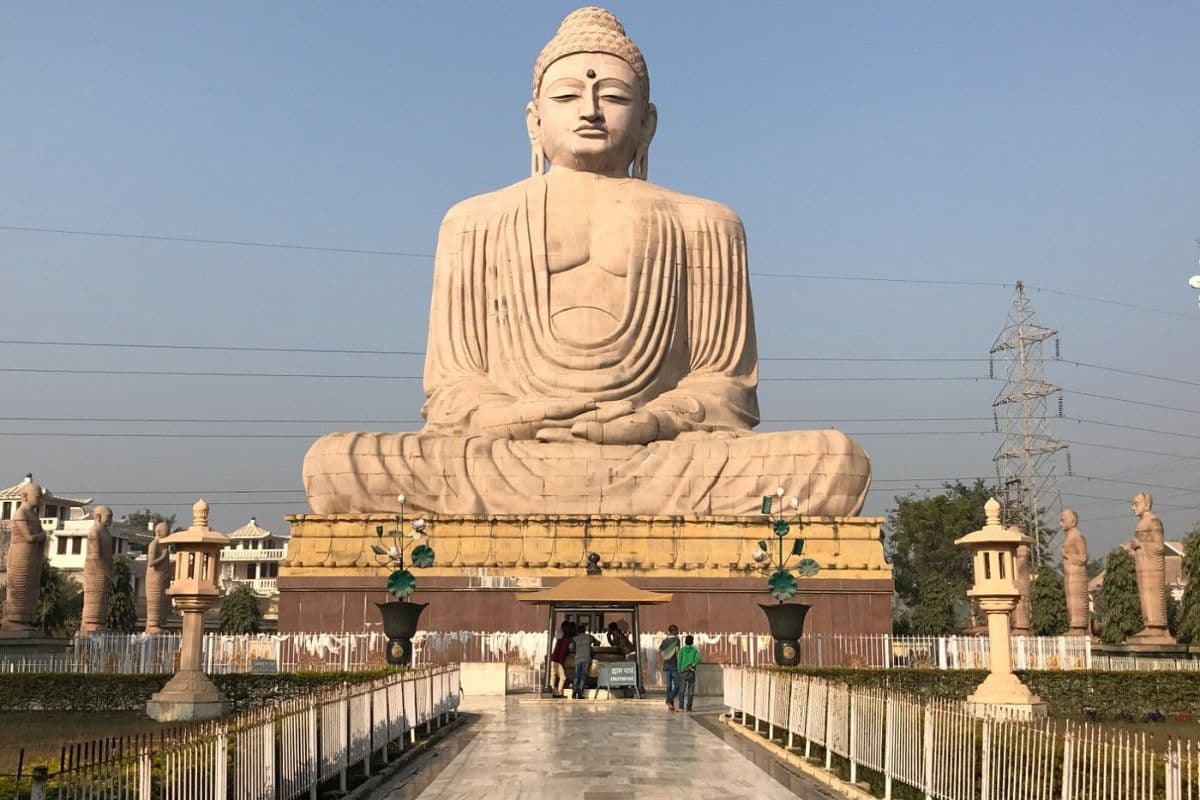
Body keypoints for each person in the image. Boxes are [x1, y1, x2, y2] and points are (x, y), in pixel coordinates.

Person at [301, 6, 872, 518]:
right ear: (534, 119)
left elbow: (725, 386)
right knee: (337, 464)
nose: (592, 111)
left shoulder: (706, 223)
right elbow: (452, 387)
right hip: (510, 452)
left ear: (647, 122)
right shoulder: (473, 221)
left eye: (615, 97)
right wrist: (511, 417)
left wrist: (654, 421)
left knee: (834, 462)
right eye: (568, 97)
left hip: (660, 455)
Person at [571, 622, 598, 700]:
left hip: (577, 658)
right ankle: (580, 693)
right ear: (584, 630)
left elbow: (571, 648)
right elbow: (598, 643)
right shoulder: (589, 637)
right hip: (586, 658)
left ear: (577, 631)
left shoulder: (574, 638)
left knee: (577, 675)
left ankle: (574, 692)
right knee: (583, 676)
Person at [550, 620, 576, 697]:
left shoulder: (559, 640)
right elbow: (572, 649)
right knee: (563, 677)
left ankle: (552, 690)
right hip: (558, 661)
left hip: (553, 660)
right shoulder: (569, 641)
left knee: (553, 676)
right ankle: (559, 692)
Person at [658, 624, 681, 710]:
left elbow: (659, 651)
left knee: (669, 686)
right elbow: (677, 652)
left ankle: (670, 704)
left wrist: (662, 662)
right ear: (674, 631)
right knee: (677, 685)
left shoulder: (665, 640)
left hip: (666, 665)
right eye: (677, 630)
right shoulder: (676, 640)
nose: (678, 632)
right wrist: (680, 663)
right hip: (674, 665)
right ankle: (669, 700)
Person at [677, 635, 701, 712]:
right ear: (692, 642)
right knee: (690, 690)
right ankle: (689, 707)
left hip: (683, 671)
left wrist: (679, 670)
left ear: (685, 641)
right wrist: (693, 664)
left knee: (682, 690)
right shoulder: (695, 650)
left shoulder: (682, 650)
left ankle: (681, 706)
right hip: (691, 671)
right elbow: (699, 659)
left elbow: (679, 661)